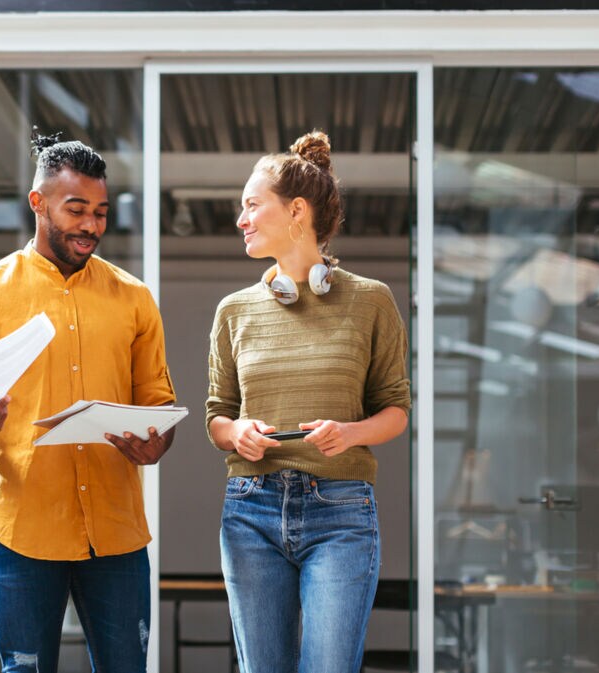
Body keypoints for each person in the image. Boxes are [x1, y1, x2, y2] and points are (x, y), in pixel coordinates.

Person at [0, 132, 177, 673]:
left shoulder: (134, 299)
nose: (91, 225)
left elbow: (159, 406)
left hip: (115, 531)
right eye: (76, 209)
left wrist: (156, 443)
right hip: (23, 530)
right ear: (38, 203)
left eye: (100, 212)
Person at [206, 130, 411, 673]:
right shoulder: (233, 311)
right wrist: (236, 433)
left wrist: (351, 433)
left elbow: (396, 409)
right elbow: (217, 414)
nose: (241, 219)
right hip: (250, 508)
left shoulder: (371, 301)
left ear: (297, 210)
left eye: (253, 205)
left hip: (340, 511)